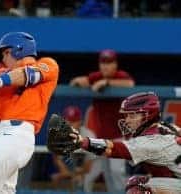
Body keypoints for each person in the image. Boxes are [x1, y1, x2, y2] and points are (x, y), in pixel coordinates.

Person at [0, 31, 59, 193]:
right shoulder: (2, 73)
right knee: (3, 190)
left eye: (6, 52)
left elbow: (28, 75)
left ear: (19, 49)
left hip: (15, 135)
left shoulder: (47, 64)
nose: (3, 58)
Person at [50, 92, 181, 193]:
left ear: (147, 115)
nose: (128, 120)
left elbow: (112, 149)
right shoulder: (167, 127)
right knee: (147, 179)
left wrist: (81, 141)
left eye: (132, 115)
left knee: (137, 185)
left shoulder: (150, 140)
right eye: (127, 115)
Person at [70, 49, 135, 191]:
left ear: (115, 64)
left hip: (119, 136)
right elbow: (83, 81)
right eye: (103, 63)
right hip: (102, 136)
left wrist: (106, 82)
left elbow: (130, 84)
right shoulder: (96, 76)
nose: (105, 66)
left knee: (117, 171)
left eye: (109, 63)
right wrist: (80, 81)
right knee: (108, 174)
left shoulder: (120, 76)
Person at [51, 106, 98, 191]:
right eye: (68, 121)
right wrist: (65, 172)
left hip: (95, 164)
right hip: (74, 165)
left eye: (73, 121)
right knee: (59, 180)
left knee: (85, 181)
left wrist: (74, 174)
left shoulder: (89, 135)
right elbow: (57, 159)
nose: (70, 124)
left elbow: (89, 166)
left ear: (80, 122)